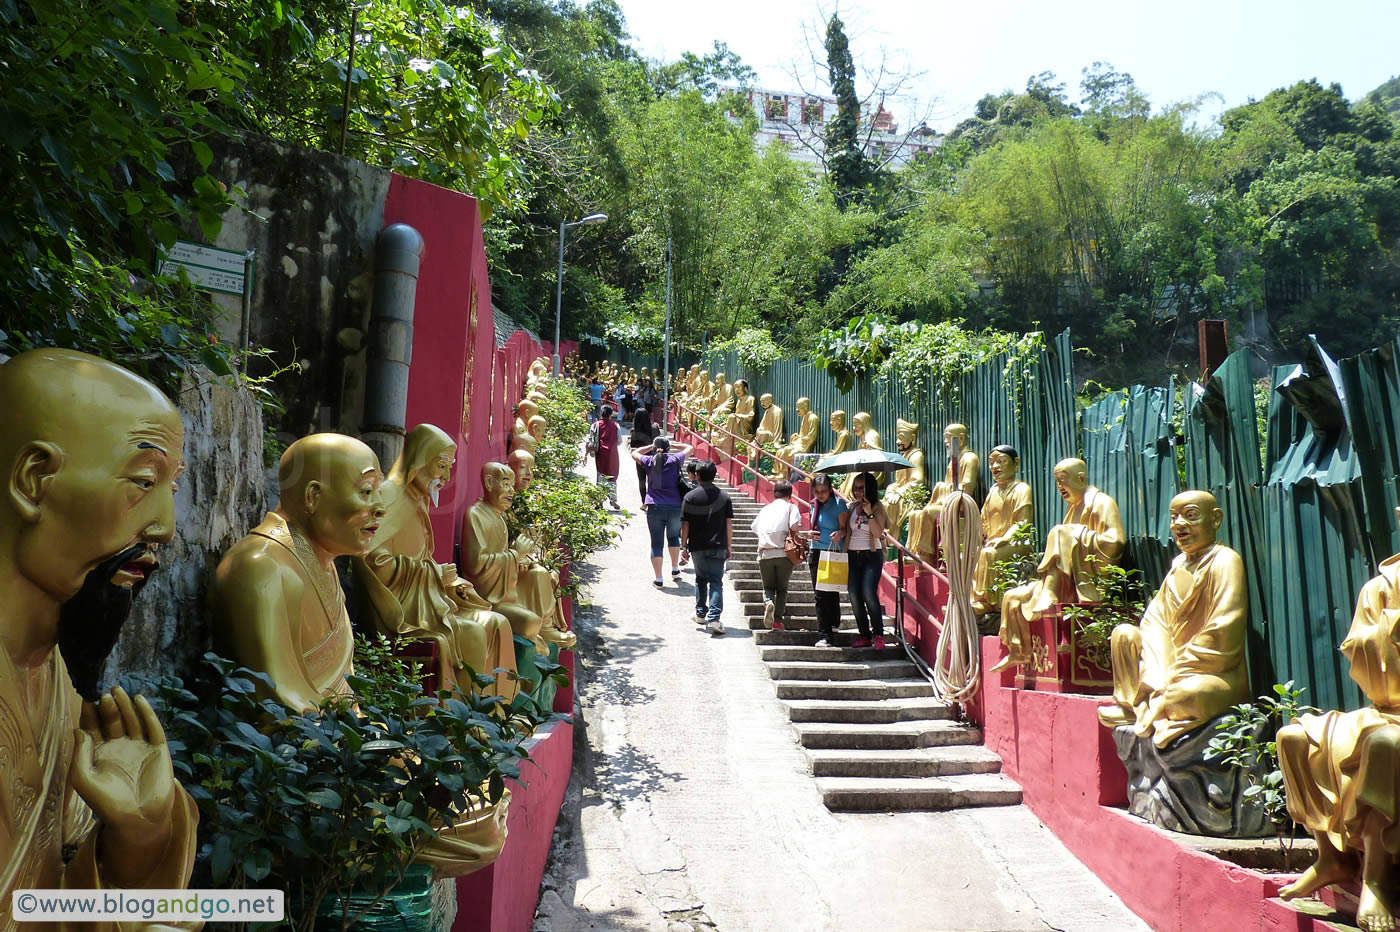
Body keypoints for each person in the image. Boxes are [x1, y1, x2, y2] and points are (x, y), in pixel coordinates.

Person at [832, 471, 890, 650]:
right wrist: (840, 533)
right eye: (856, 488)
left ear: (870, 489)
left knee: (868, 593)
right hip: (852, 555)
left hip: (871, 556)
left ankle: (878, 634)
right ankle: (864, 634)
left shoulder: (878, 507)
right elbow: (846, 530)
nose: (858, 492)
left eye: (862, 488)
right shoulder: (851, 507)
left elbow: (878, 533)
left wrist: (869, 513)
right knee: (854, 595)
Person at [632, 436, 694, 588]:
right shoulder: (675, 460)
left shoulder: (649, 461)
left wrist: (651, 446)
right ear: (668, 449)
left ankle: (659, 579)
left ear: (654, 448)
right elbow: (690, 448)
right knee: (673, 537)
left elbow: (635, 452)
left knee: (656, 544)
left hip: (654, 506)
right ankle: (675, 569)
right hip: (674, 506)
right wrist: (673, 444)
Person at [681, 460, 733, 636]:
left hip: (697, 546)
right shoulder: (725, 497)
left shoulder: (690, 497)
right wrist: (728, 545)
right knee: (716, 582)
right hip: (718, 545)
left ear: (698, 476)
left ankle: (701, 614)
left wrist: (683, 547)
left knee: (700, 579)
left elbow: (685, 525)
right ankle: (714, 619)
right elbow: (728, 524)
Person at [751, 481, 803, 630]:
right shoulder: (791, 507)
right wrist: (798, 530)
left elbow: (754, 527)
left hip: (765, 554)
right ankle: (777, 621)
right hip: (784, 554)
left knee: (768, 586)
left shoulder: (766, 509)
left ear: (774, 493)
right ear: (790, 494)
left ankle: (768, 602)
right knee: (781, 589)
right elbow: (794, 526)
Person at [806, 474, 847, 647]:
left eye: (823, 491)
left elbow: (845, 529)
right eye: (817, 491)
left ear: (830, 490)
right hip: (816, 551)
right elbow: (812, 527)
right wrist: (809, 534)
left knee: (831, 591)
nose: (820, 495)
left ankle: (831, 628)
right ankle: (826, 632)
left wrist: (840, 534)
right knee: (820, 594)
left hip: (833, 550)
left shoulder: (839, 505)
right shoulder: (813, 505)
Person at [590, 405, 621, 509]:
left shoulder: (595, 425)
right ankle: (613, 499)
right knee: (612, 475)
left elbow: (591, 439)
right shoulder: (616, 425)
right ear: (611, 414)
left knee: (601, 475)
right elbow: (619, 441)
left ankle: (599, 500)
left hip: (601, 453)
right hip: (613, 454)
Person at [630, 407, 657, 497]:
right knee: (652, 480)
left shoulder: (634, 431)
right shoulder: (655, 429)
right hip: (653, 457)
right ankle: (652, 500)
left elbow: (632, 446)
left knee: (641, 480)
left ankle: (644, 501)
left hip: (640, 458)